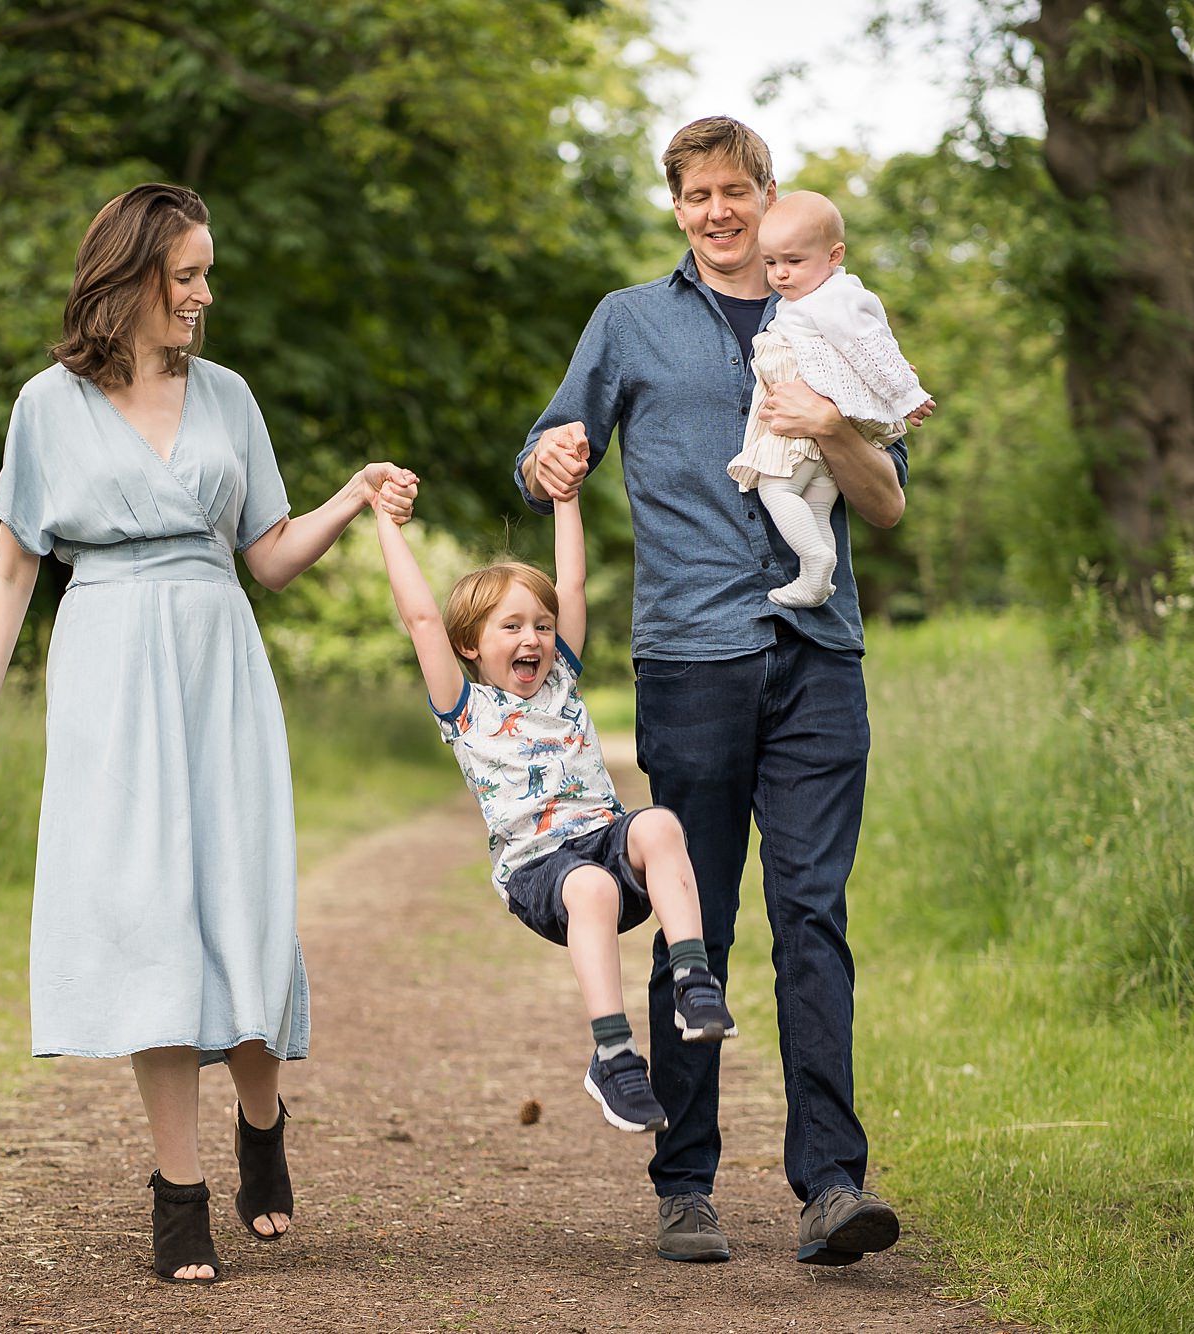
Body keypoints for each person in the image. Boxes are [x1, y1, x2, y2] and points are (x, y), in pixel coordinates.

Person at [0, 183, 417, 1285]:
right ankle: (177, 1192)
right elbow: (14, 564)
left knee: (234, 898)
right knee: (149, 914)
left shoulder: (229, 395)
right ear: (129, 276)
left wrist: (347, 497)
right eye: (187, 274)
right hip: (106, 657)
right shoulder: (45, 405)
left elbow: (268, 553)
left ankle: (260, 1118)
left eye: (206, 274)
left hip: (216, 656)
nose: (203, 294)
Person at [514, 117, 932, 1267]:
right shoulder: (629, 321)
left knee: (812, 915)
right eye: (695, 194)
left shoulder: (834, 314)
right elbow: (552, 438)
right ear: (677, 205)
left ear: (766, 193)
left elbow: (886, 502)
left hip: (817, 660)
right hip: (689, 661)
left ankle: (829, 1184)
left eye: (734, 191)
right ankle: (685, 1184)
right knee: (693, 924)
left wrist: (832, 425)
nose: (716, 211)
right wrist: (547, 455)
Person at [369, 480, 738, 1137]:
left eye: (540, 624)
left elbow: (571, 582)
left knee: (657, 823)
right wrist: (386, 522)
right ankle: (614, 1054)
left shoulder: (562, 676)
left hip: (603, 839)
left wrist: (566, 497)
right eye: (510, 627)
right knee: (590, 887)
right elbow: (422, 617)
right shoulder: (465, 707)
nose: (533, 636)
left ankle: (694, 981)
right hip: (541, 874)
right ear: (470, 646)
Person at [724, 190, 933, 608]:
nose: (780, 274)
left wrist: (906, 394)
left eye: (794, 261)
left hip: (799, 434)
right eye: (771, 263)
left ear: (834, 255)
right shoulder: (816, 297)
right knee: (816, 503)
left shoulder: (831, 300)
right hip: (824, 451)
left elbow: (871, 347)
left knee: (777, 492)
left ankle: (814, 559)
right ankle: (817, 579)